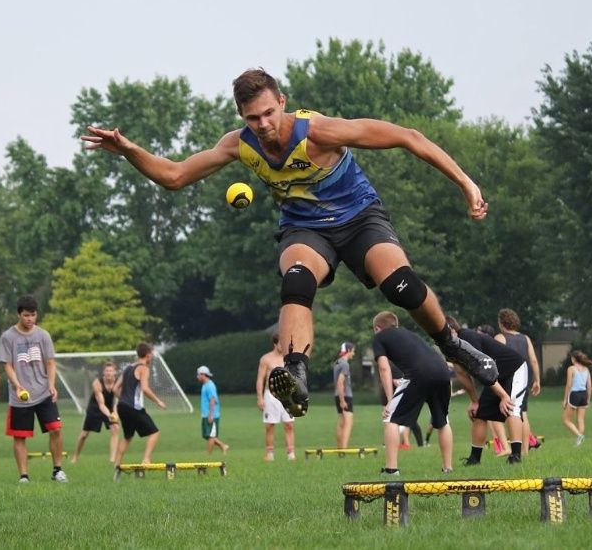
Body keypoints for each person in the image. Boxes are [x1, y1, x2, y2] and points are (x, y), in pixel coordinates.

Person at [82, 68, 499, 420]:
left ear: (282, 102)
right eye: (252, 118)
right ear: (241, 116)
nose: (263, 125)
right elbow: (174, 177)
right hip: (305, 228)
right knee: (296, 281)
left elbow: (409, 136)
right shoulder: (239, 144)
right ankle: (295, 374)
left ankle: (450, 342)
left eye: (268, 113)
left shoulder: (319, 131)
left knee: (400, 286)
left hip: (359, 219)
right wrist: (127, 150)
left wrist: (465, 182)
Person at [372, 312, 507, 475]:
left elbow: (384, 368)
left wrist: (389, 400)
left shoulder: (380, 337)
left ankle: (391, 469)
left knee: (390, 418)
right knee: (442, 421)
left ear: (377, 328)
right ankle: (447, 468)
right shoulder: (409, 334)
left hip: (418, 374)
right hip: (443, 373)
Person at [0, 295, 66, 483]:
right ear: (19, 314)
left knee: (56, 430)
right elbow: (8, 366)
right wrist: (18, 386)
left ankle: (57, 470)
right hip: (20, 397)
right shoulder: (8, 337)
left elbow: (51, 362)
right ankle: (24, 476)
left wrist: (52, 385)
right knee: (20, 437)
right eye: (27, 315)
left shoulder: (43, 335)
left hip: (44, 392)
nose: (30, 319)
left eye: (33, 315)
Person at [444, 320, 524, 466]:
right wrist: (475, 401)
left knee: (512, 409)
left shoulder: (468, 336)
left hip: (514, 368)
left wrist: (503, 396)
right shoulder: (449, 346)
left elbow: (481, 367)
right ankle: (474, 459)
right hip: (494, 375)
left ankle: (516, 456)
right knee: (480, 413)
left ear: (452, 329)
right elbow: (461, 374)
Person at [495, 308, 541, 454]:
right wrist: (537, 380)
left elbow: (494, 361)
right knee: (523, 412)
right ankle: (525, 451)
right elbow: (533, 360)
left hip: (509, 378)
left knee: (512, 413)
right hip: (524, 378)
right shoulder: (525, 338)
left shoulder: (500, 338)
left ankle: (511, 448)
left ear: (502, 322)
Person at [113, 343, 166, 467]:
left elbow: (115, 388)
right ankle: (146, 460)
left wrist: (124, 400)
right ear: (147, 355)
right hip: (133, 407)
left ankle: (117, 466)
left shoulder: (127, 368)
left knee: (127, 437)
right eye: (151, 354)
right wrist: (158, 401)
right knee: (154, 432)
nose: (152, 356)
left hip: (122, 406)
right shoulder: (144, 368)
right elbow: (145, 389)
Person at [255, 333, 296, 461]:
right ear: (275, 343)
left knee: (289, 425)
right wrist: (260, 398)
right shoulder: (266, 359)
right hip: (271, 395)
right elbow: (260, 379)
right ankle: (270, 454)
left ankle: (291, 454)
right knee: (269, 425)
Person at [71, 361, 121, 463]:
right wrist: (109, 415)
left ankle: (112, 459)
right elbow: (101, 404)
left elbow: (116, 401)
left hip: (110, 407)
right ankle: (75, 457)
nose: (109, 373)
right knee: (84, 435)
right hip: (95, 408)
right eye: (107, 371)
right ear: (103, 372)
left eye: (111, 371)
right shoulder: (97, 383)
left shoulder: (118, 384)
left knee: (115, 428)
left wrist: (115, 413)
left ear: (115, 372)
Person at [561, 351, 592, 446]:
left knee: (566, 420)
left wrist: (565, 399)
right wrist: (588, 399)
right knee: (580, 419)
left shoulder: (571, 368)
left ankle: (579, 435)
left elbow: (569, 384)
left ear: (574, 359)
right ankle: (579, 442)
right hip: (584, 394)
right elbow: (589, 386)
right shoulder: (586, 369)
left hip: (574, 394)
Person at [197, 366, 229, 454]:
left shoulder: (210, 386)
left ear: (203, 374)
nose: (197, 376)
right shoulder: (205, 385)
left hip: (211, 415)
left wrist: (211, 415)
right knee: (206, 435)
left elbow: (213, 400)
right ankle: (223, 446)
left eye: (198, 374)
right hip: (206, 414)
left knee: (211, 435)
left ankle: (208, 456)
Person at [333, 342, 355, 449]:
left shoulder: (337, 363)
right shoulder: (345, 364)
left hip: (337, 395)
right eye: (353, 351)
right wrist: (343, 400)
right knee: (348, 422)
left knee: (341, 422)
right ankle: (344, 449)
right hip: (345, 396)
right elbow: (340, 382)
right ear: (349, 350)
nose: (353, 354)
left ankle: (339, 448)